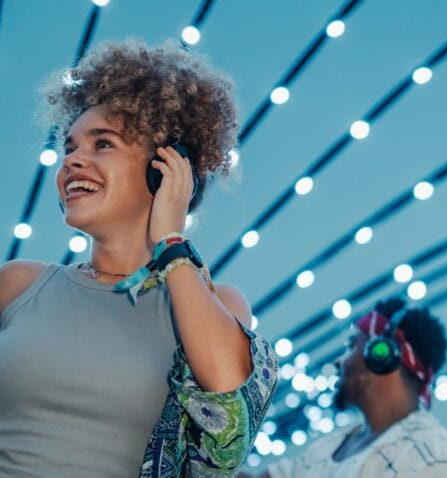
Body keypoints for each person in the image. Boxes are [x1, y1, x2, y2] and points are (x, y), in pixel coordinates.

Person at [0, 41, 278, 477]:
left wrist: (170, 239)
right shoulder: (18, 285)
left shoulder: (215, 305)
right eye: (69, 148)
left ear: (165, 168)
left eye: (102, 144)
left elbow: (230, 421)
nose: (73, 160)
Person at [246, 298, 447, 478]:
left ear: (381, 354)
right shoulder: (332, 445)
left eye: (352, 345)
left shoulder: (432, 456)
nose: (339, 361)